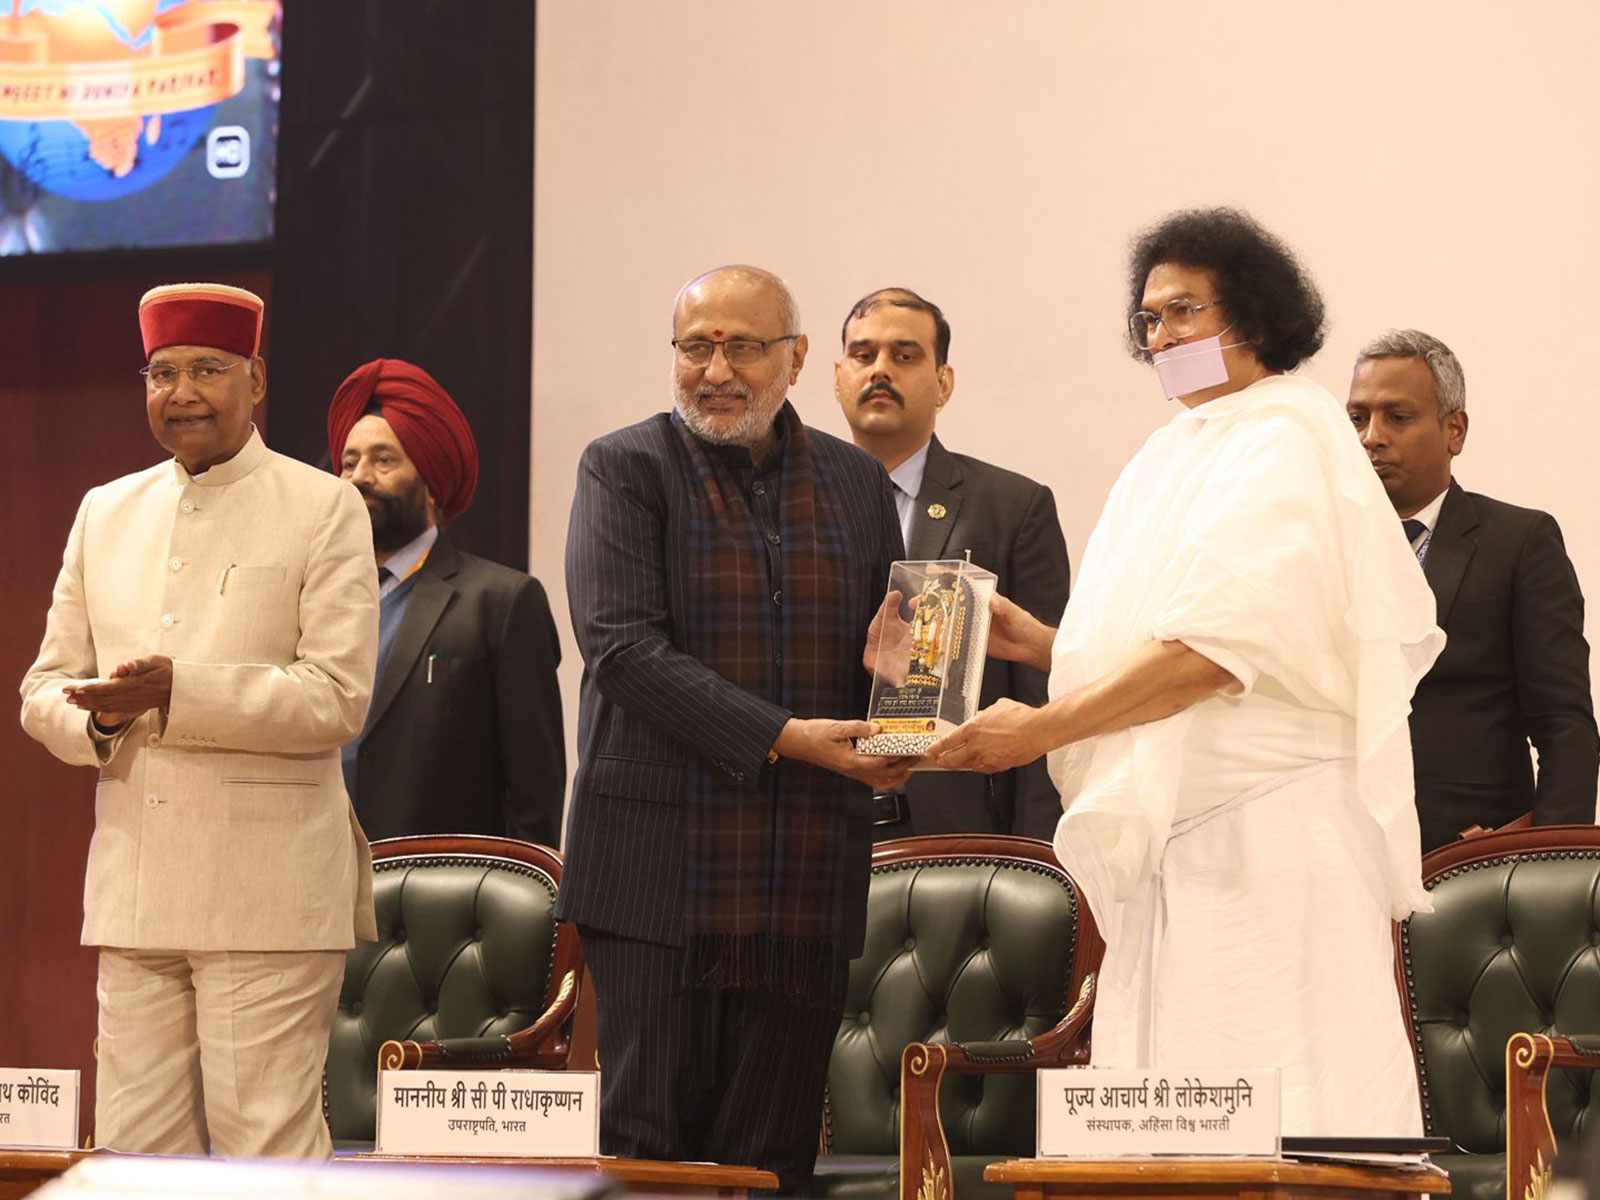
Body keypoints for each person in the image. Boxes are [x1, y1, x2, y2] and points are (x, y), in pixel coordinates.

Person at [927, 210, 1443, 1135]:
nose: (1159, 337)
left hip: (1270, 836)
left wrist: (1038, 728)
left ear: (1251, 317)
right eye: (1148, 320)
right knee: (1180, 1125)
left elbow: (1215, 656)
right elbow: (1167, 638)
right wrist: (1042, 645)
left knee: (1284, 1108)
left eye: (1181, 313)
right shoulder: (1177, 447)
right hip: (1184, 840)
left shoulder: (1284, 433)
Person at [556, 265, 911, 1192]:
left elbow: (895, 650)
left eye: (742, 347)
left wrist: (901, 707)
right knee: (650, 1153)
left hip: (804, 872)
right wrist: (790, 736)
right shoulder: (623, 465)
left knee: (772, 1156)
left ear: (794, 359)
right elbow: (623, 651)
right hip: (655, 874)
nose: (715, 369)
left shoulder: (857, 482)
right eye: (694, 347)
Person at [19, 283, 378, 1157]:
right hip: (136, 891)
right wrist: (99, 723)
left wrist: (180, 691)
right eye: (163, 372)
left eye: (208, 370)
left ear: (256, 381)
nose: (182, 391)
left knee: (267, 1155)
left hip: (269, 895)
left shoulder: (323, 506)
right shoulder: (106, 511)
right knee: (137, 1158)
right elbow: (42, 689)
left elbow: (337, 695)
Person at [834, 287, 1070, 839]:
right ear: (838, 374)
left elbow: (1042, 692)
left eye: (906, 355)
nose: (880, 370)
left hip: (959, 825)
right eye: (863, 355)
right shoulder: (786, 508)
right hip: (815, 821)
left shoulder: (1013, 506)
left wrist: (1038, 850)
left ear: (944, 382)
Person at [1347, 330, 1597, 851]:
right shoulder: (1320, 549)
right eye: (1357, 419)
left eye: (1397, 416)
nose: (1371, 436)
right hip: (1340, 849)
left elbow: (1563, 726)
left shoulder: (1518, 542)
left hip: (1468, 859)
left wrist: (1549, 863)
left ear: (1454, 430)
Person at [328, 358, 565, 845]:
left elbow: (534, 794)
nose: (358, 477)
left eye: (383, 460)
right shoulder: (316, 602)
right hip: (317, 885)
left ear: (433, 481)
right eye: (349, 463)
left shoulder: (500, 601)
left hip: (444, 896)